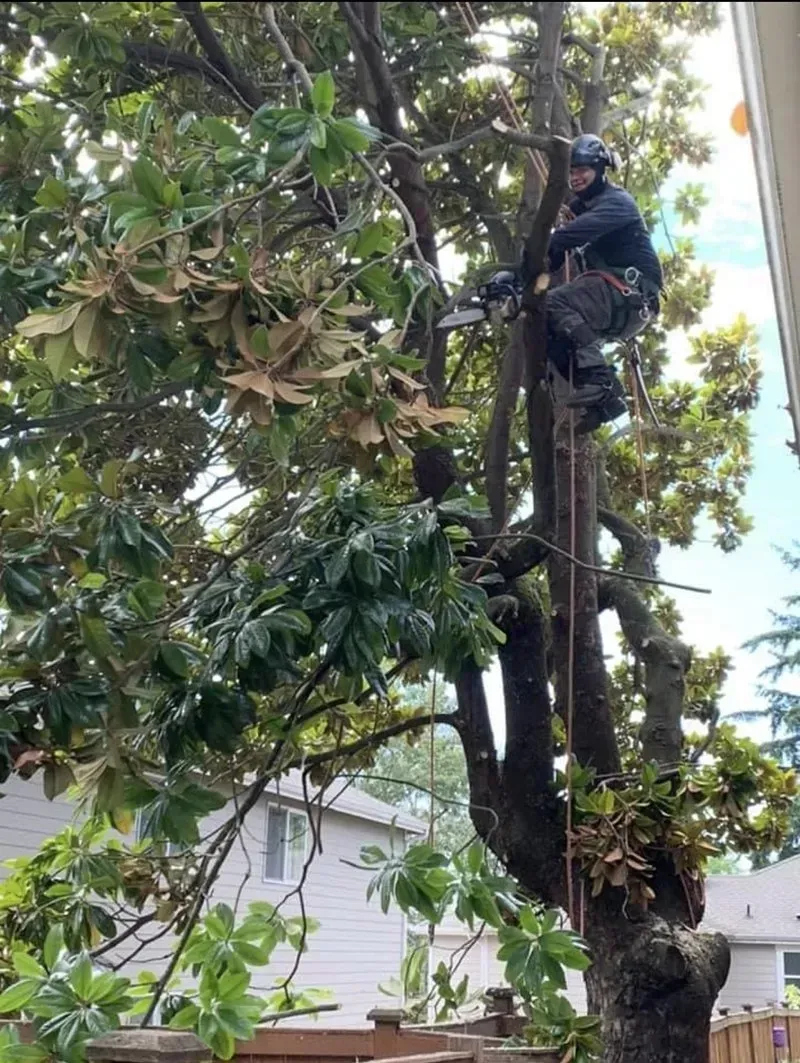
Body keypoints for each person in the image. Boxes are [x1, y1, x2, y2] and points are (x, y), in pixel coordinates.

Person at [539, 133, 664, 433]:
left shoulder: (617, 203)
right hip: (615, 302)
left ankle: (600, 378)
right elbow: (554, 255)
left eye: (582, 169)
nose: (576, 177)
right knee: (546, 331)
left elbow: (565, 238)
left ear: (600, 168)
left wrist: (540, 244)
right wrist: (521, 277)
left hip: (630, 293)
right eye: (571, 171)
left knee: (555, 301)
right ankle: (605, 400)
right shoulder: (585, 208)